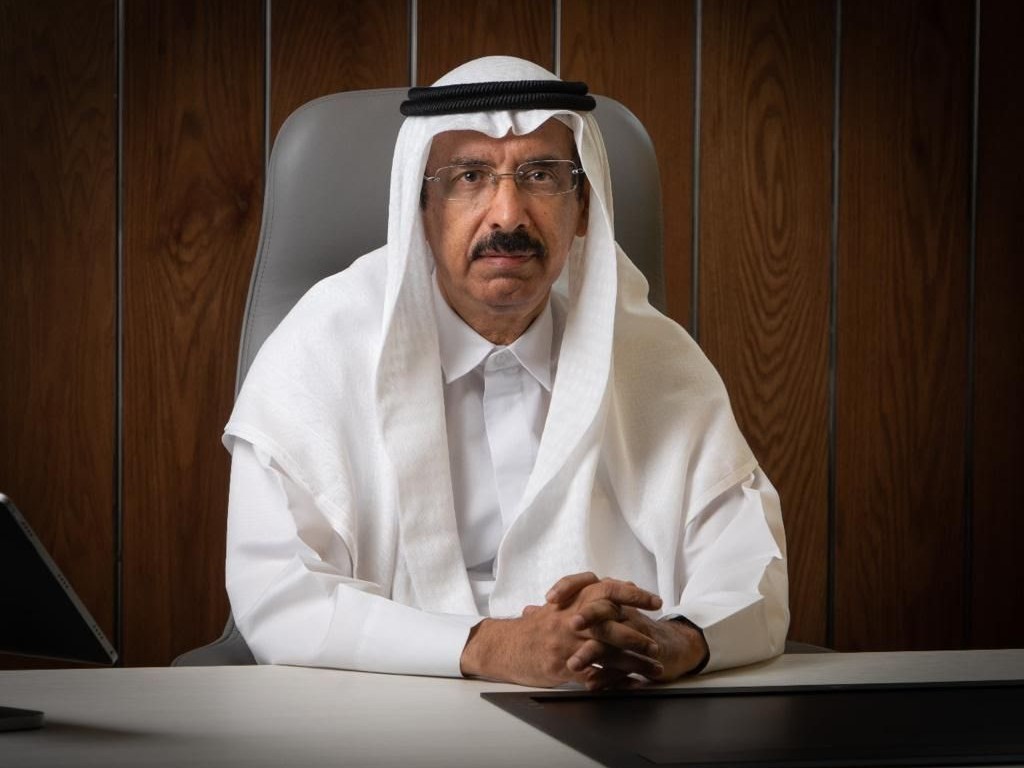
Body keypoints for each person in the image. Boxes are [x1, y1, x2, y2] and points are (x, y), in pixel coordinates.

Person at [224, 56, 788, 689]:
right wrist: (488, 646)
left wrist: (675, 639)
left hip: (613, 704)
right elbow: (278, 594)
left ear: (583, 208)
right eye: (469, 177)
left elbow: (752, 571)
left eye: (541, 175)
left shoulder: (655, 360)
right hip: (383, 703)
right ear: (421, 207)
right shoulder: (319, 350)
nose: (508, 216)